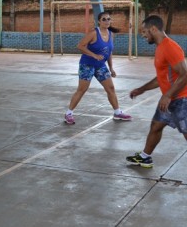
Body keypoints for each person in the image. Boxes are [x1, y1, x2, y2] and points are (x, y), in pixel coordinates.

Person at [127, 15, 187, 168]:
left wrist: (168, 95)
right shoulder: (160, 47)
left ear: (153, 29)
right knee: (156, 126)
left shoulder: (170, 47)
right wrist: (142, 89)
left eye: (144, 31)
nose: (143, 34)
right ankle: (145, 157)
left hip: (181, 99)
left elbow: (185, 73)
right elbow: (161, 78)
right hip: (170, 99)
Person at [64, 11, 132, 125]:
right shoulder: (94, 33)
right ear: (99, 22)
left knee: (110, 88)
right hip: (87, 65)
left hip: (101, 66)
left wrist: (111, 68)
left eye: (108, 19)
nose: (107, 21)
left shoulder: (111, 34)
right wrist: (94, 55)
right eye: (104, 19)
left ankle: (117, 112)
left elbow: (109, 52)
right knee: (82, 90)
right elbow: (80, 46)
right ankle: (68, 113)